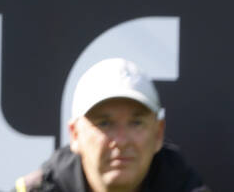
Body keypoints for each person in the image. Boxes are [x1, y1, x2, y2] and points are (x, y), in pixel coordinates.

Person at [14, 58, 210, 192]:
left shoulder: (185, 186)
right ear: (75, 134)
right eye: (105, 123)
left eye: (136, 123)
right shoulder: (40, 188)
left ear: (158, 133)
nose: (121, 140)